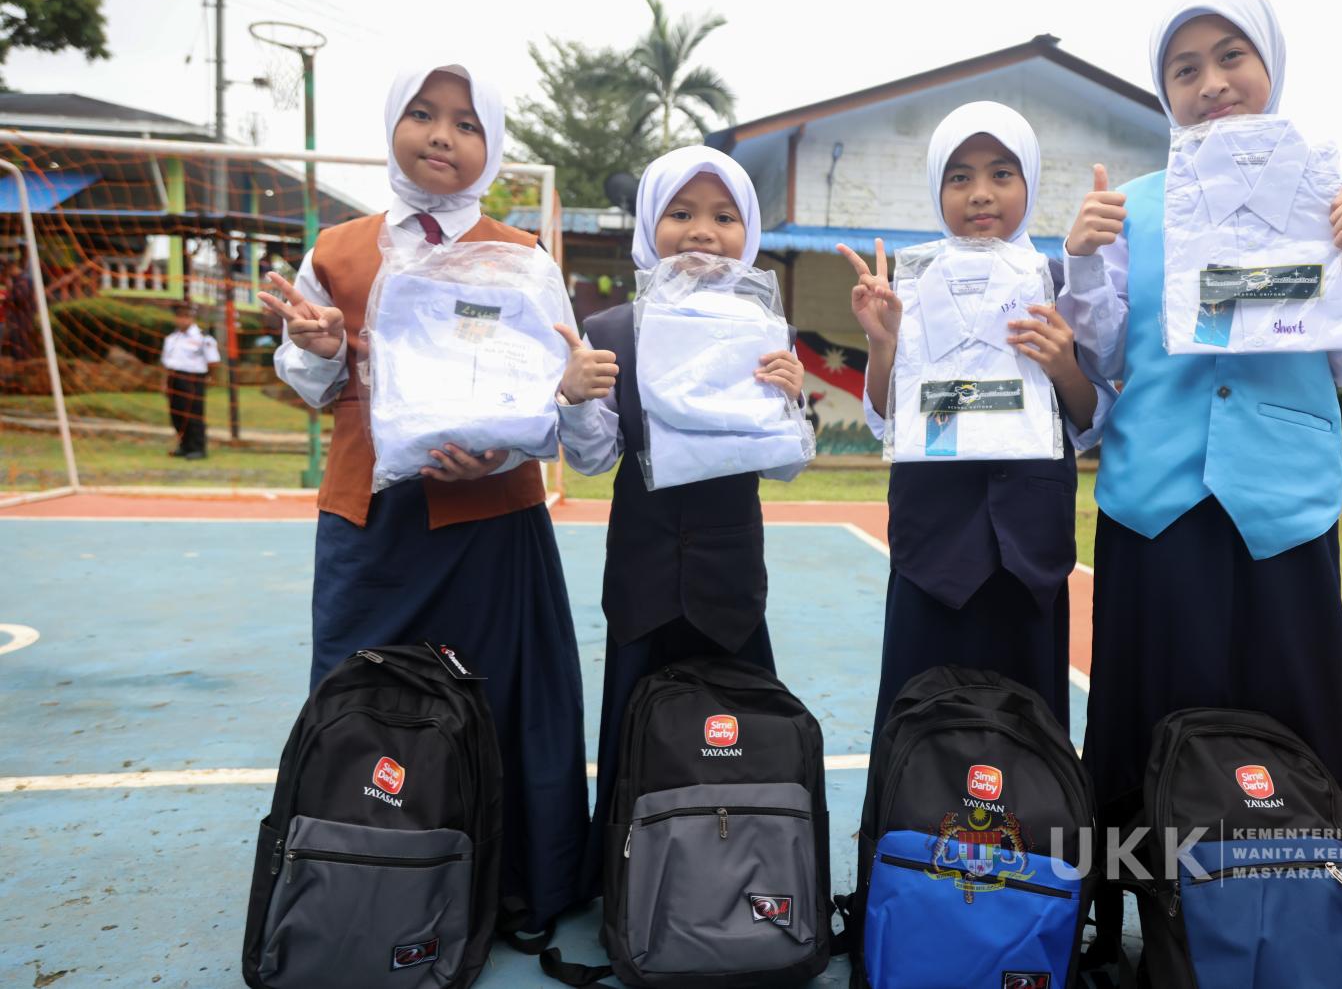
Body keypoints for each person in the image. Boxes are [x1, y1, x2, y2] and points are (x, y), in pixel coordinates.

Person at [1060, 0, 1342, 924]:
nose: (1211, 82)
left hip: (1282, 504)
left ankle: (1306, 912)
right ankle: (1139, 912)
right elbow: (1105, 355)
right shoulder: (1130, 208)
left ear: (1269, 63)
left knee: (1292, 707)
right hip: (1157, 502)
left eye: (1230, 56)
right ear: (1163, 90)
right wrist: (1082, 260)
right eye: (1185, 69)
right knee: (1147, 714)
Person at [259, 62, 586, 940]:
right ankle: (359, 875)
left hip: (493, 523)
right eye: (423, 114)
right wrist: (322, 348)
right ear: (394, 125)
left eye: (467, 123)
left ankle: (513, 881)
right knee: (359, 699)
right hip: (372, 525)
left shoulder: (525, 259)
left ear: (493, 144)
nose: (443, 135)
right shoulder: (337, 250)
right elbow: (312, 386)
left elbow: (560, 386)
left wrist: (505, 445)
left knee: (501, 703)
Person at [555, 145, 806, 899]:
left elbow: (785, 466)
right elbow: (594, 459)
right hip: (643, 574)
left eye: (725, 216)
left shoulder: (763, 327)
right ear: (648, 225)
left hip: (731, 581)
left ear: (749, 231)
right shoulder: (614, 327)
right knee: (633, 721)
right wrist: (576, 399)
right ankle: (624, 878)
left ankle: (744, 870)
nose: (703, 231)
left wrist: (791, 403)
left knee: (741, 728)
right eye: (681, 212)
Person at [841, 101, 1112, 734]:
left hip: (1030, 552)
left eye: (1001, 174)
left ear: (1030, 183)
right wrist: (882, 343)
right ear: (937, 191)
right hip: (932, 548)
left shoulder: (1056, 281)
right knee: (920, 722)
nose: (980, 193)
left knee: (1028, 729)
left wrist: (1064, 365)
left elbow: (1089, 419)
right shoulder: (911, 285)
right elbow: (888, 419)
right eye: (959, 176)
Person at [160, 302, 219, 459]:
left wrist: (209, 378)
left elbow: (213, 362)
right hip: (174, 378)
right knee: (176, 414)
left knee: (193, 415)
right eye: (180, 316)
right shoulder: (171, 338)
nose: (183, 320)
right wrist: (164, 383)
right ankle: (184, 446)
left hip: (193, 379)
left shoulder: (203, 338)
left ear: (192, 317)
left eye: (186, 316)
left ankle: (198, 448)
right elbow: (166, 363)